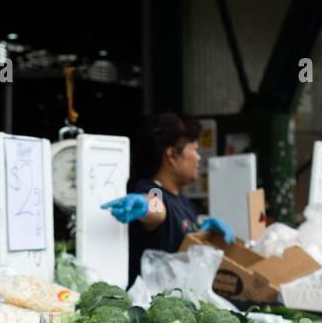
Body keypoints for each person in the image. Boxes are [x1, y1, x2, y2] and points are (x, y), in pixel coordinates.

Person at [100, 112, 234, 285]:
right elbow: (156, 206)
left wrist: (202, 226)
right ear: (172, 155)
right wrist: (145, 205)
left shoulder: (182, 200)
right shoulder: (150, 189)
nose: (199, 158)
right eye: (194, 150)